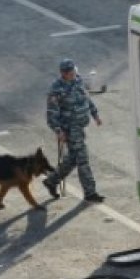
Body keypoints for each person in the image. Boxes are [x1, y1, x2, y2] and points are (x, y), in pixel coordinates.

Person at [43, 59, 105, 203]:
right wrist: (58, 131)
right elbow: (52, 113)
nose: (72, 75)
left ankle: (51, 181)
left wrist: (95, 115)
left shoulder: (78, 81)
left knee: (72, 160)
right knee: (83, 159)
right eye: (69, 73)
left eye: (73, 72)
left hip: (80, 125)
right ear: (63, 73)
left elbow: (86, 99)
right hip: (70, 128)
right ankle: (90, 193)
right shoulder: (56, 89)